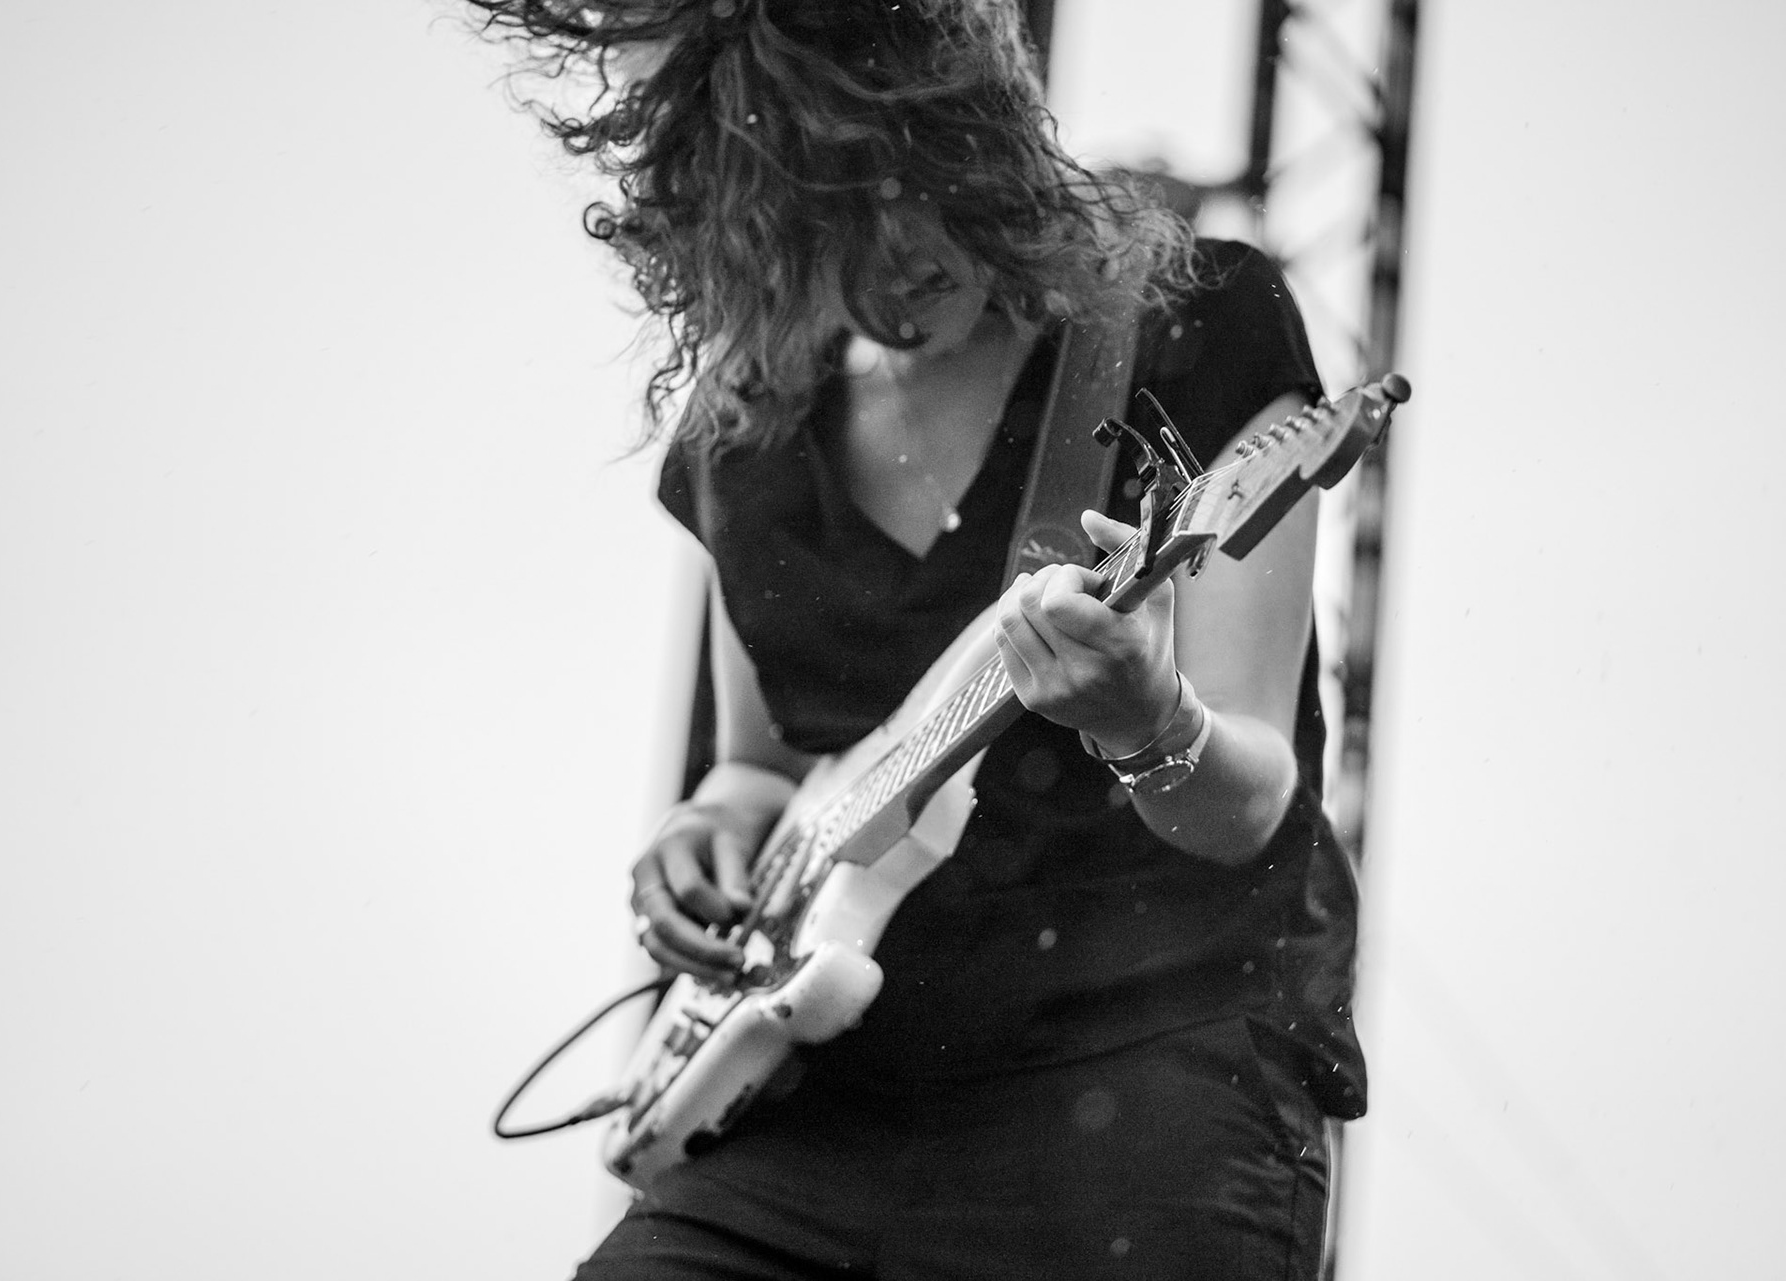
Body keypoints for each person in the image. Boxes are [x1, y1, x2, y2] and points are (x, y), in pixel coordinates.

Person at [469, 2, 1366, 1276]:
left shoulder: (1187, 320)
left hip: (1150, 1077)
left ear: (985, 139)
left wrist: (1149, 723)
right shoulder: (749, 426)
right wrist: (703, 836)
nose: (895, 253)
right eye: (829, 209)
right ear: (747, 221)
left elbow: (1249, 807)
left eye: (918, 181)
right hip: (820, 1096)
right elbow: (763, 766)